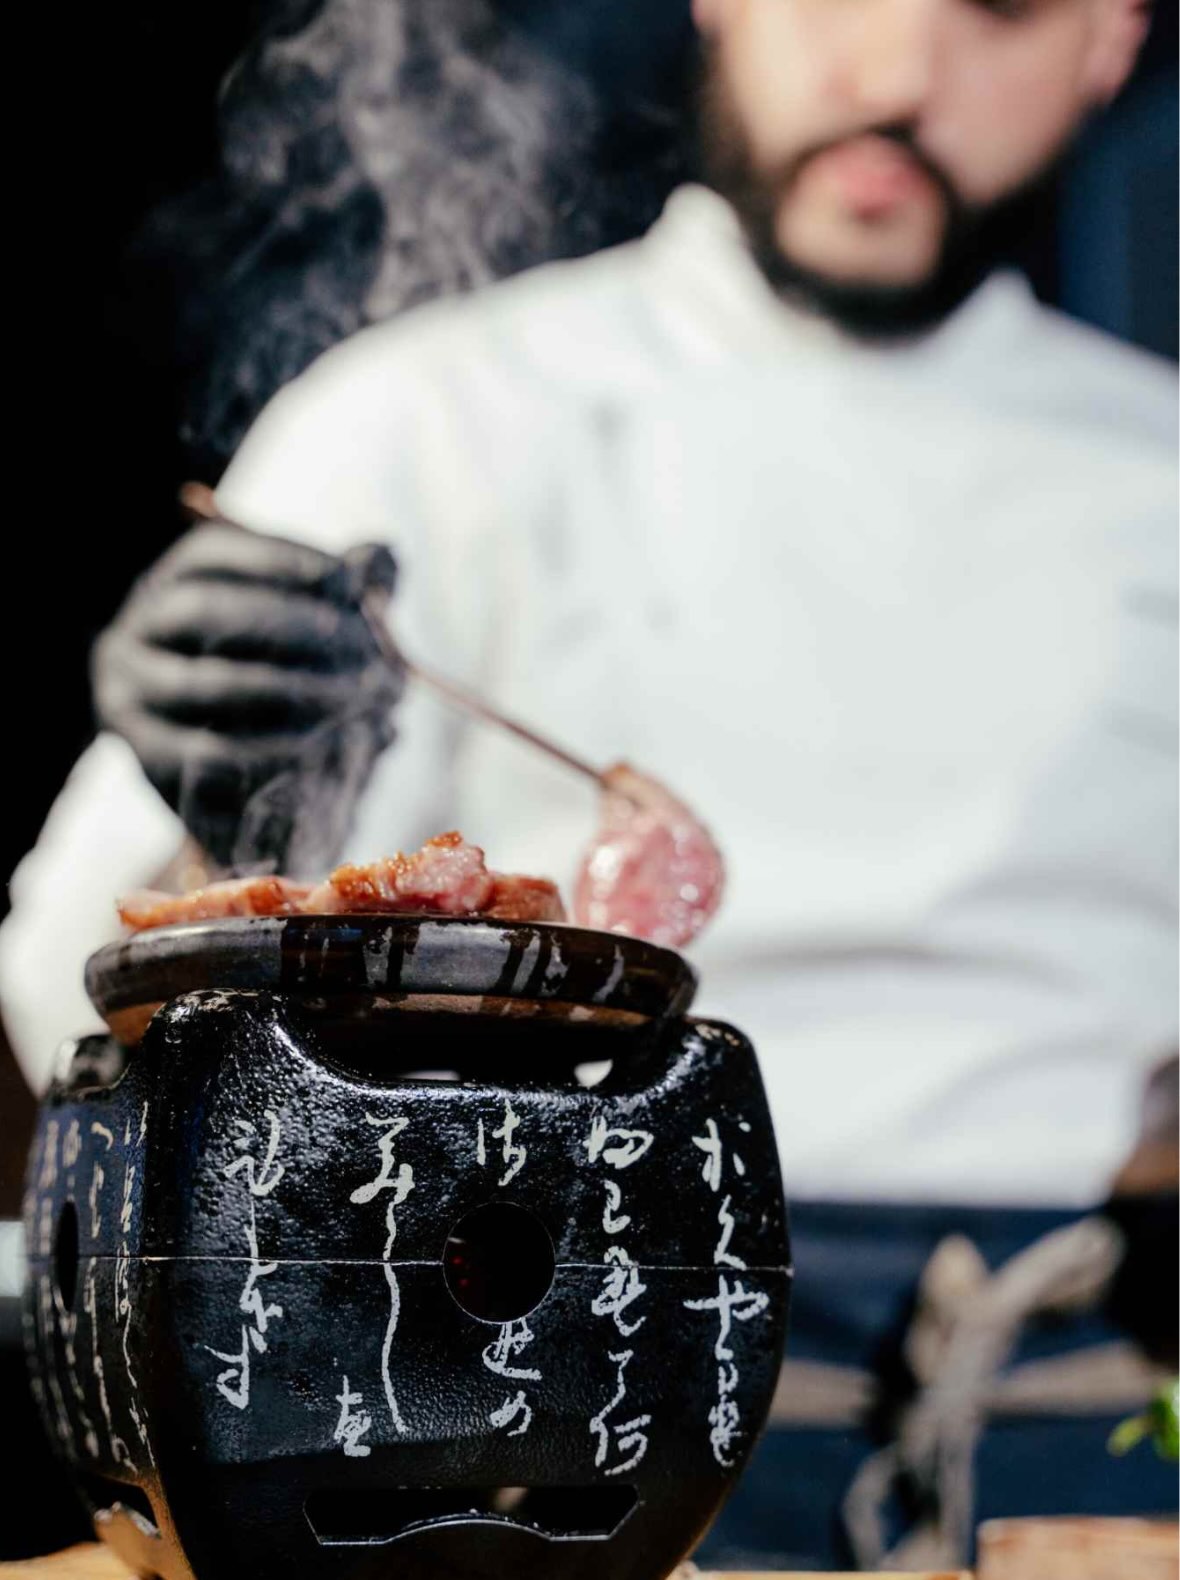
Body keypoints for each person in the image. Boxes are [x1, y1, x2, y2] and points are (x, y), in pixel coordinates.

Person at [2, 0, 1175, 1564]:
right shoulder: (428, 414)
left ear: (1112, 41)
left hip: (1084, 1426)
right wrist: (220, 796)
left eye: (1001, 9)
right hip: (529, 1407)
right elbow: (67, 1012)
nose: (896, 73)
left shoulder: (1156, 472)